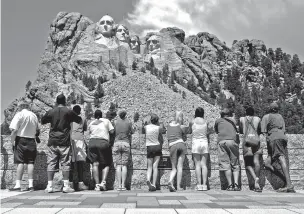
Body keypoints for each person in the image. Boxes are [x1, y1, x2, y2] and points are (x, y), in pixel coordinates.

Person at [41, 94, 82, 193]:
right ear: (65, 101)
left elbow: (42, 121)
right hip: (64, 141)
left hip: (53, 141)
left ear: (56, 101)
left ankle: (49, 186)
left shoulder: (51, 111)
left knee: (51, 163)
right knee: (65, 163)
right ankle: (66, 186)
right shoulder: (68, 111)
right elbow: (79, 120)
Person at [261, 102, 295, 193]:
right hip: (282, 138)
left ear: (270, 109)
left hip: (274, 138)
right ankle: (286, 181)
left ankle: (288, 184)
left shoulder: (266, 117)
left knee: (281, 158)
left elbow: (263, 132)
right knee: (267, 164)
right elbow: (284, 130)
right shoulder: (280, 117)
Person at [9, 102, 40, 191]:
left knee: (20, 162)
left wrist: (12, 141)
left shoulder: (20, 114)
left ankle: (18, 185)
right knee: (30, 162)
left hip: (20, 139)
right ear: (28, 107)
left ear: (20, 107)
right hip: (31, 140)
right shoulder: (34, 115)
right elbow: (38, 129)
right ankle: (31, 185)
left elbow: (14, 130)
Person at [87, 110, 114, 191]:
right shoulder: (106, 121)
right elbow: (112, 131)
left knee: (95, 164)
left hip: (92, 143)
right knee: (106, 163)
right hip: (103, 143)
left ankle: (97, 185)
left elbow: (89, 133)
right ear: (101, 115)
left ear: (94, 116)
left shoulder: (91, 123)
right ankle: (103, 183)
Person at [214, 108, 241, 191]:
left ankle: (230, 185)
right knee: (235, 163)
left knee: (225, 163)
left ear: (221, 115)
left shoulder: (218, 121)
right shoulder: (234, 121)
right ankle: (236, 185)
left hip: (222, 142)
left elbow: (216, 131)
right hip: (233, 141)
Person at [239, 107, 262, 192]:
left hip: (247, 143)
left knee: (248, 164)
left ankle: (255, 178)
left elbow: (241, 131)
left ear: (246, 112)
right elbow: (260, 130)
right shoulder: (258, 119)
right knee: (256, 161)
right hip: (256, 142)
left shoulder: (242, 119)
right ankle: (258, 180)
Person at [188, 107, 210, 191]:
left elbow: (190, 131)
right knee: (204, 165)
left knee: (197, 165)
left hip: (196, 143)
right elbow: (207, 132)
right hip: (204, 142)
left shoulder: (192, 121)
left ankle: (199, 184)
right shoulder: (206, 122)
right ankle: (205, 185)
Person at [142, 113, 166, 191]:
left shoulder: (146, 127)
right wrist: (161, 123)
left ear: (150, 120)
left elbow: (142, 130)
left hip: (150, 147)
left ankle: (148, 179)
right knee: (155, 166)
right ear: (157, 121)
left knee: (149, 167)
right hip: (157, 146)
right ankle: (154, 184)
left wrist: (145, 122)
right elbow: (163, 130)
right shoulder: (158, 128)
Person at [112, 110, 135, 191]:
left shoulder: (115, 122)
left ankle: (118, 186)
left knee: (118, 165)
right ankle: (123, 185)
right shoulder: (129, 122)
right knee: (124, 165)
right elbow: (133, 131)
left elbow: (112, 131)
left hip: (117, 143)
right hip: (125, 143)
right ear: (125, 115)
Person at [167, 110, 189, 192]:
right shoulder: (181, 126)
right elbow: (187, 131)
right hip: (181, 144)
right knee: (180, 167)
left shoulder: (168, 126)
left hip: (172, 146)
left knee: (174, 168)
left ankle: (170, 181)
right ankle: (179, 187)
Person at [69, 105, 88, 191]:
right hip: (80, 140)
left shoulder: (69, 118)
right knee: (80, 163)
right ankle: (80, 183)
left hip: (71, 140)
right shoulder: (83, 118)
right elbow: (85, 129)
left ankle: (70, 183)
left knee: (71, 163)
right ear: (80, 111)